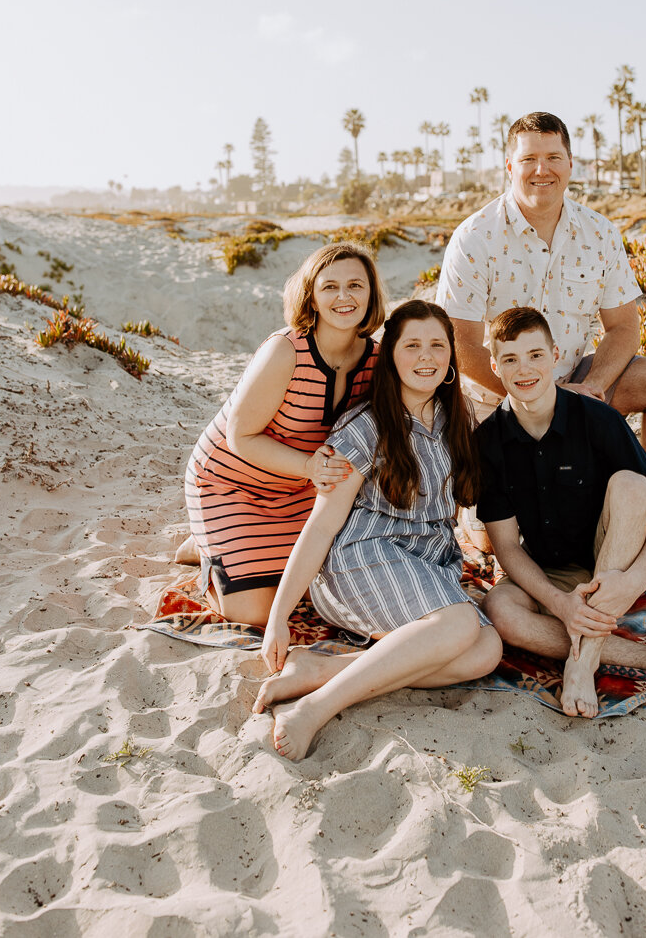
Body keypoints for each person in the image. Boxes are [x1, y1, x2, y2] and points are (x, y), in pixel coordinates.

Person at [437, 109, 646, 569]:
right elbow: (461, 344)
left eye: (553, 157)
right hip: (493, 398)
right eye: (529, 158)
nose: (542, 169)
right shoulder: (474, 237)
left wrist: (590, 388)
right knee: (489, 546)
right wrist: (536, 395)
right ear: (509, 167)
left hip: (576, 381)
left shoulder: (598, 232)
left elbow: (624, 327)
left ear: (571, 163)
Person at [252, 300, 503, 760]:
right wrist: (279, 618)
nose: (426, 357)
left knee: (485, 651)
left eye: (436, 346)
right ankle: (314, 707)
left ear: (451, 357)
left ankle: (321, 670)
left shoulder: (459, 418)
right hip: (360, 559)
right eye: (412, 346)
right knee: (461, 623)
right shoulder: (364, 428)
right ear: (390, 356)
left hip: (429, 563)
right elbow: (321, 525)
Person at [477, 306, 646, 719]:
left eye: (535, 355)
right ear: (495, 366)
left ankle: (583, 663)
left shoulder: (597, 418)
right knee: (500, 613)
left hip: (612, 560)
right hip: (547, 571)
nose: (524, 369)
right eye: (510, 359)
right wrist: (560, 602)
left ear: (554, 355)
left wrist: (635, 578)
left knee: (633, 485)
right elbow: (506, 548)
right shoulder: (489, 441)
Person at [181, 242, 385, 629]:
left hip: (305, 488)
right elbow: (241, 437)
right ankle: (210, 553)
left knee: (316, 588)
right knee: (254, 613)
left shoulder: (376, 360)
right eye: (330, 287)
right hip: (231, 483)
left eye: (356, 285)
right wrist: (309, 466)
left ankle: (223, 546)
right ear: (311, 295)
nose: (344, 296)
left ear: (371, 293)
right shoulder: (286, 351)